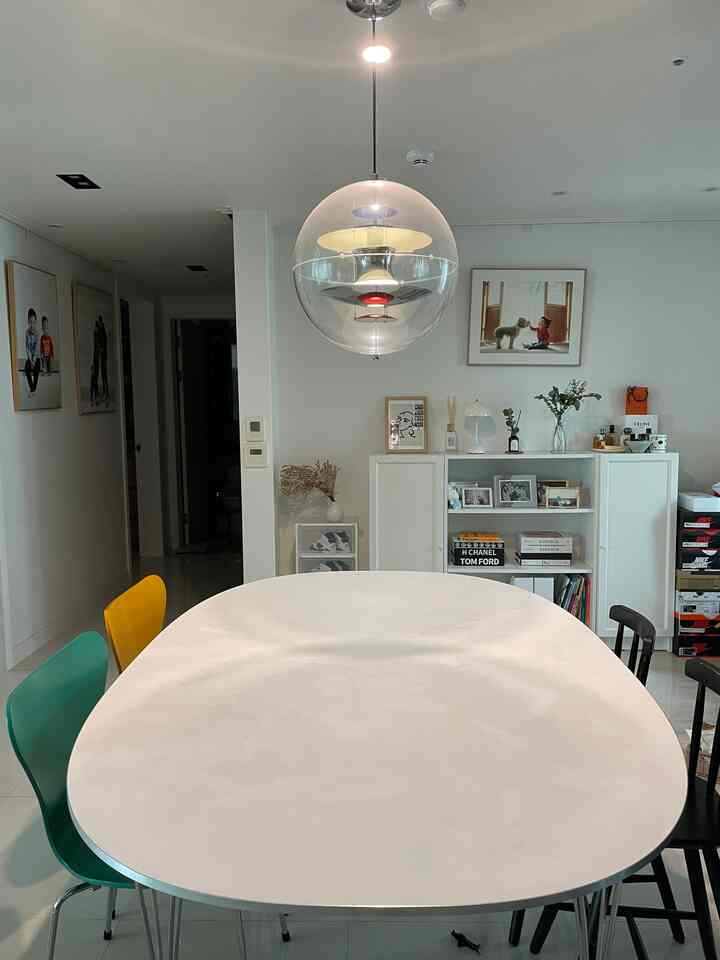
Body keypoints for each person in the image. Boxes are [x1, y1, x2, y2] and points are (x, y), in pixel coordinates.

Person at [23, 308, 41, 395]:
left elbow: (37, 348)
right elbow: (27, 348)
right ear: (28, 322)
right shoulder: (27, 333)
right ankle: (32, 388)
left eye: (34, 322)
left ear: (36, 322)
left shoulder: (37, 333)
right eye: (30, 322)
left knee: (36, 370)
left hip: (36, 357)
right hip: (30, 358)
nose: (32, 324)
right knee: (26, 369)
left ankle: (34, 388)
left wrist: (34, 360)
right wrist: (30, 360)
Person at [93, 315, 109, 400]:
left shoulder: (102, 331)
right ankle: (99, 394)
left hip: (102, 356)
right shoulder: (98, 331)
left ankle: (105, 393)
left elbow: (103, 343)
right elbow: (97, 343)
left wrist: (101, 349)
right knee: (97, 374)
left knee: (103, 374)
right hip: (98, 356)